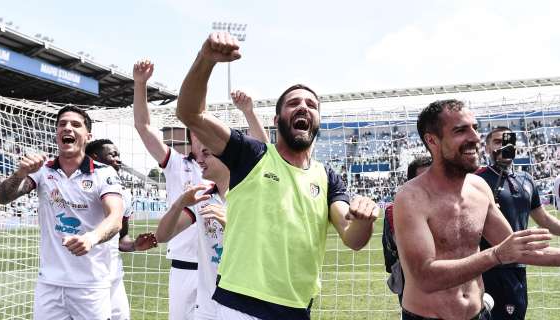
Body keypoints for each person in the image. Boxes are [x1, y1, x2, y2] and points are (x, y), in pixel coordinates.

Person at [176, 32, 379, 320]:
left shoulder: (328, 177)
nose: (303, 107)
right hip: (240, 308)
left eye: (311, 105)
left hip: (297, 309)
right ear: (276, 120)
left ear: (318, 120)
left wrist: (363, 219)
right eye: (293, 103)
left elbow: (353, 238)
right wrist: (206, 60)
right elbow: (190, 113)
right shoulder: (252, 154)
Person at [394, 99, 560, 320]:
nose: (475, 137)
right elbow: (426, 278)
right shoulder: (410, 197)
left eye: (475, 128)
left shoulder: (479, 188)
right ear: (432, 140)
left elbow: (518, 248)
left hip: (478, 313)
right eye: (461, 130)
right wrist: (496, 255)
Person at [0, 106, 124, 320]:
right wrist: (20, 173)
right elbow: (1, 198)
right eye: (62, 124)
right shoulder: (43, 170)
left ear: (88, 135)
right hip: (49, 284)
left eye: (75, 124)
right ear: (56, 133)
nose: (67, 128)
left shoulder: (103, 173)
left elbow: (115, 217)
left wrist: (91, 238)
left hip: (90, 285)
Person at [134, 59, 204, 320]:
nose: (202, 135)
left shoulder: (229, 170)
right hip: (184, 269)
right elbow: (143, 128)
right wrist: (140, 85)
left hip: (221, 269)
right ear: (189, 139)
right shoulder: (177, 165)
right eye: (196, 132)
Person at [477, 126, 560, 319]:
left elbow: (544, 219)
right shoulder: (477, 180)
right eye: (497, 142)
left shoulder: (526, 179)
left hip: (519, 266)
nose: (504, 146)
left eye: (509, 142)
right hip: (490, 266)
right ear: (487, 148)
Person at [85, 138, 158, 320]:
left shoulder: (123, 193)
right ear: (94, 157)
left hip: (113, 272)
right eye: (113, 154)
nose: (118, 159)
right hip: (86, 275)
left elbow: (121, 239)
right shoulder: (77, 187)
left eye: (119, 155)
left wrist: (134, 245)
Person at [156, 144, 228, 320]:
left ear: (228, 157)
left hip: (239, 303)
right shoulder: (204, 198)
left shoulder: (249, 195)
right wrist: (179, 204)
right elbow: (163, 236)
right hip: (207, 306)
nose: (200, 159)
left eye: (207, 153)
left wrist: (231, 224)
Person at [382, 156, 431, 304]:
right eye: (423, 179)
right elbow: (395, 248)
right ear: (411, 183)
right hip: (412, 283)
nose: (431, 183)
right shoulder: (394, 210)